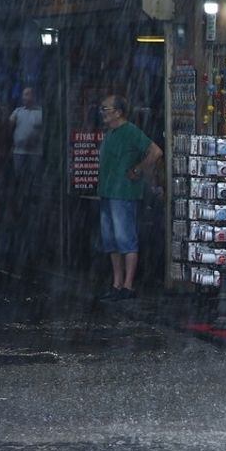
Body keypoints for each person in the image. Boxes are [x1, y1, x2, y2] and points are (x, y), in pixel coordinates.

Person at [95, 95, 162, 301]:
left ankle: (128, 285)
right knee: (111, 240)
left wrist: (138, 169)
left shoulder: (131, 131)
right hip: (107, 191)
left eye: (106, 109)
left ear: (118, 112)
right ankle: (117, 283)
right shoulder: (110, 133)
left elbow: (155, 151)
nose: (103, 113)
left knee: (125, 239)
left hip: (123, 192)